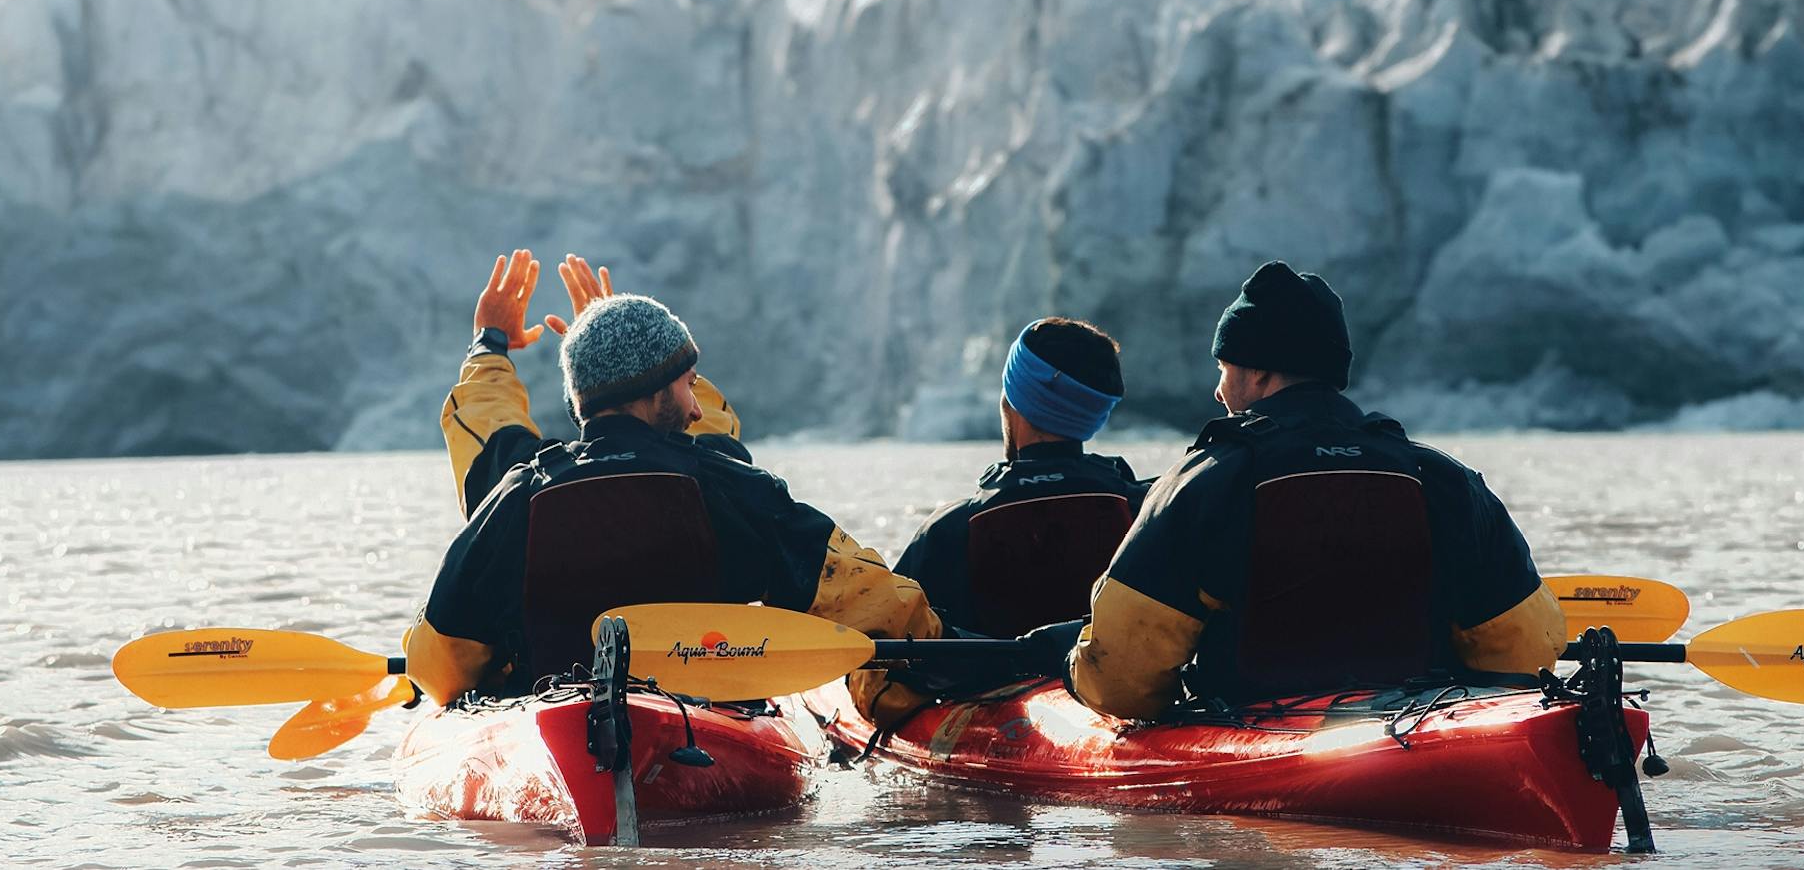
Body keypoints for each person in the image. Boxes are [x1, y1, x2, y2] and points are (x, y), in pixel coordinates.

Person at [403, 249, 941, 715]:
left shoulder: (521, 492)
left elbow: (439, 664)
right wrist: (946, 653)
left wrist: (489, 346)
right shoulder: (727, 485)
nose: (693, 406)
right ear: (657, 391)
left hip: (556, 721)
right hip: (704, 721)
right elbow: (873, 601)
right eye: (687, 384)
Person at [1067, 261, 1568, 720]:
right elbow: (1526, 652)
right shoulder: (1440, 478)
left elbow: (1118, 682)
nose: (1218, 391)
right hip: (1421, 728)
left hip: (1261, 739)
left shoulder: (1204, 482)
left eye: (1225, 369)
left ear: (1259, 370)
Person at [894, 318, 1152, 635]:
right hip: (1110, 679)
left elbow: (883, 652)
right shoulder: (1147, 511)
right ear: (1097, 414)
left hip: (993, 680)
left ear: (1012, 401)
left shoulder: (947, 532)